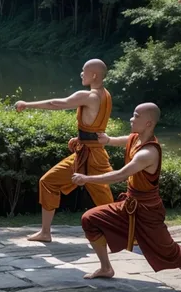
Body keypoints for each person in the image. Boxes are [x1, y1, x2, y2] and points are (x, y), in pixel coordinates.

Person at [72, 102, 181, 292]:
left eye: (136, 116)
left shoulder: (148, 152)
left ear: (148, 123)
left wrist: (87, 179)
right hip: (129, 204)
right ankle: (106, 267)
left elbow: (119, 175)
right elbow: (123, 140)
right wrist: (107, 139)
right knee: (90, 219)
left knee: (167, 249)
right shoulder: (136, 138)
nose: (131, 118)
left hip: (148, 210)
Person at [15, 58, 113, 242]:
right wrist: (81, 138)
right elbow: (95, 126)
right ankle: (45, 232)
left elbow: (56, 104)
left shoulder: (89, 96)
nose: (81, 74)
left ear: (94, 75)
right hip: (88, 151)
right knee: (49, 182)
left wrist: (27, 104)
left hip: (91, 156)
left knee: (104, 198)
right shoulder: (106, 95)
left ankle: (132, 233)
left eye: (84, 71)